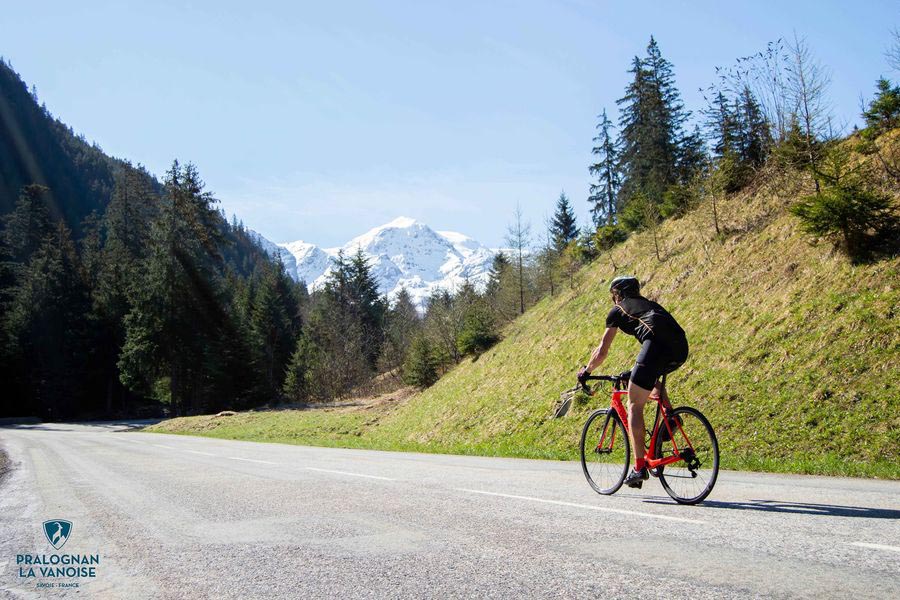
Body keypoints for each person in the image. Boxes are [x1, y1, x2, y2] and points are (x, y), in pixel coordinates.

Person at [577, 276, 688, 488]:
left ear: (618, 293)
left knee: (635, 404)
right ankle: (670, 417)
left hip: (655, 346)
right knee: (649, 377)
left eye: (613, 295)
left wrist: (586, 370)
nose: (613, 299)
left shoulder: (618, 310)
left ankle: (638, 467)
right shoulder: (648, 305)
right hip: (680, 347)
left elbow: (602, 351)